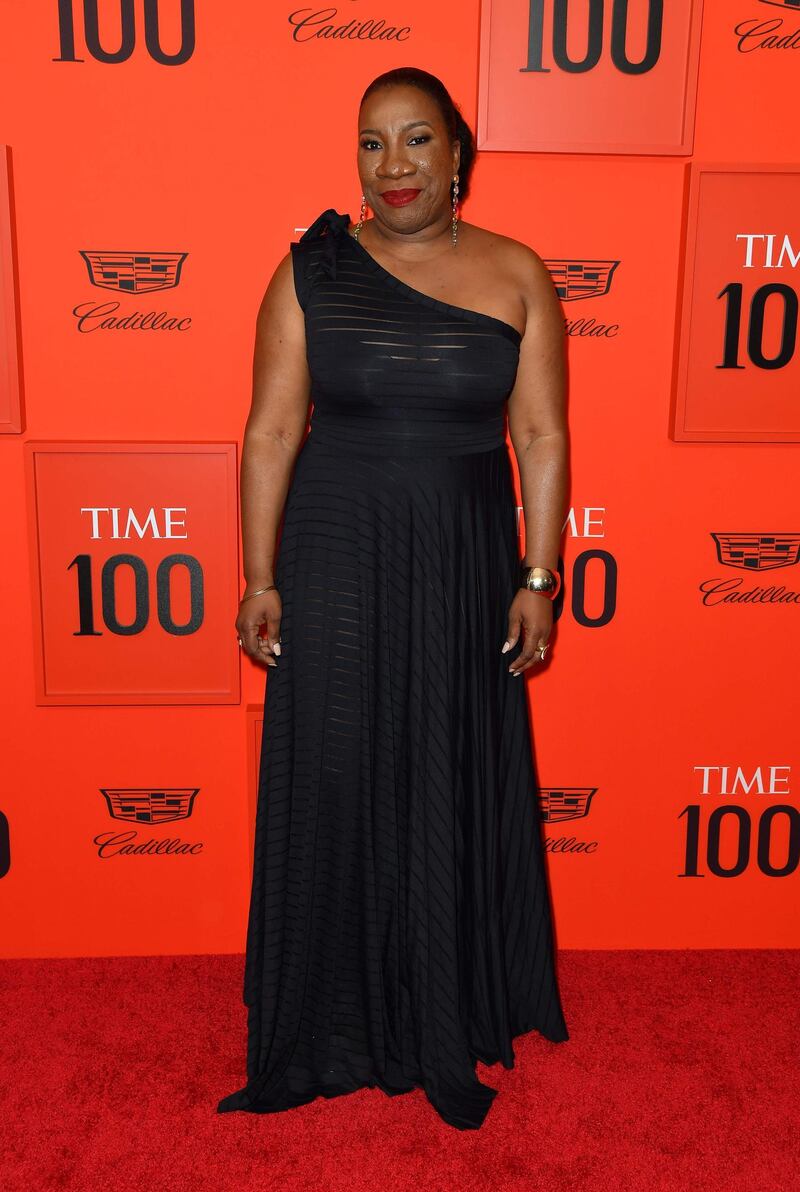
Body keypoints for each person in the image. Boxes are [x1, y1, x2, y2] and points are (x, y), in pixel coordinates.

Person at [216, 65, 570, 1132]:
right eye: (372, 144)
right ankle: (327, 1013)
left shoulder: (515, 273)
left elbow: (542, 437)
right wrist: (260, 575)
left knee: (442, 763)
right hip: (335, 553)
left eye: (417, 140)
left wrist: (538, 576)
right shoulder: (309, 272)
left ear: (457, 153)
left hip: (464, 558)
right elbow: (272, 431)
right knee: (335, 769)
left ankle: (438, 998)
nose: (394, 166)